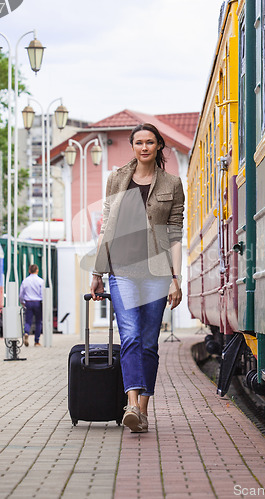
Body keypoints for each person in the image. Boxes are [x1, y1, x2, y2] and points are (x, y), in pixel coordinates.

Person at [91, 123, 184, 433]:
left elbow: (174, 236)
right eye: (139, 142)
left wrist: (175, 278)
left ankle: (142, 410)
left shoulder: (172, 184)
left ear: (159, 146)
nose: (144, 147)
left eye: (150, 142)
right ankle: (131, 403)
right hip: (123, 271)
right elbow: (106, 227)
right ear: (132, 147)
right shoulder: (116, 179)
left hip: (157, 274)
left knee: (148, 343)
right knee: (129, 336)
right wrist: (97, 272)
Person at [19, 264, 44, 347]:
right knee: (38, 322)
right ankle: (36, 341)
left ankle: (26, 333)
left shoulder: (25, 281)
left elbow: (21, 294)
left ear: (29, 271)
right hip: (38, 302)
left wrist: (22, 302)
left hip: (28, 302)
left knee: (28, 321)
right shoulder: (41, 281)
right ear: (37, 270)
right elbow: (43, 294)